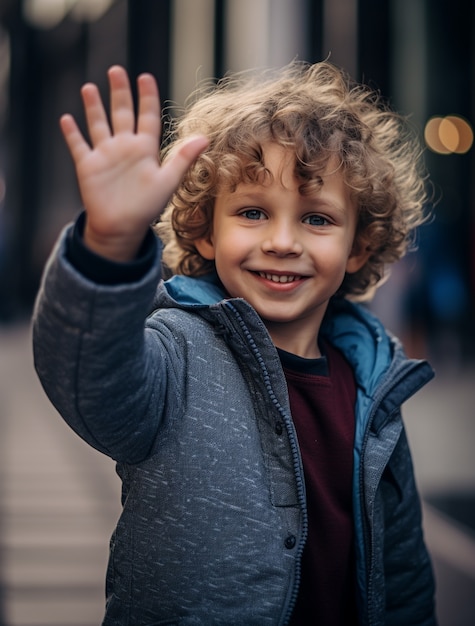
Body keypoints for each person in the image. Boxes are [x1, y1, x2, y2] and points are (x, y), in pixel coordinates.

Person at [32, 61, 437, 625]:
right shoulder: (174, 353)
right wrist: (108, 244)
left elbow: (405, 577)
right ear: (204, 227)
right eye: (252, 212)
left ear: (358, 248)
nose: (281, 241)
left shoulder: (376, 386)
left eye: (317, 219)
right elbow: (86, 376)